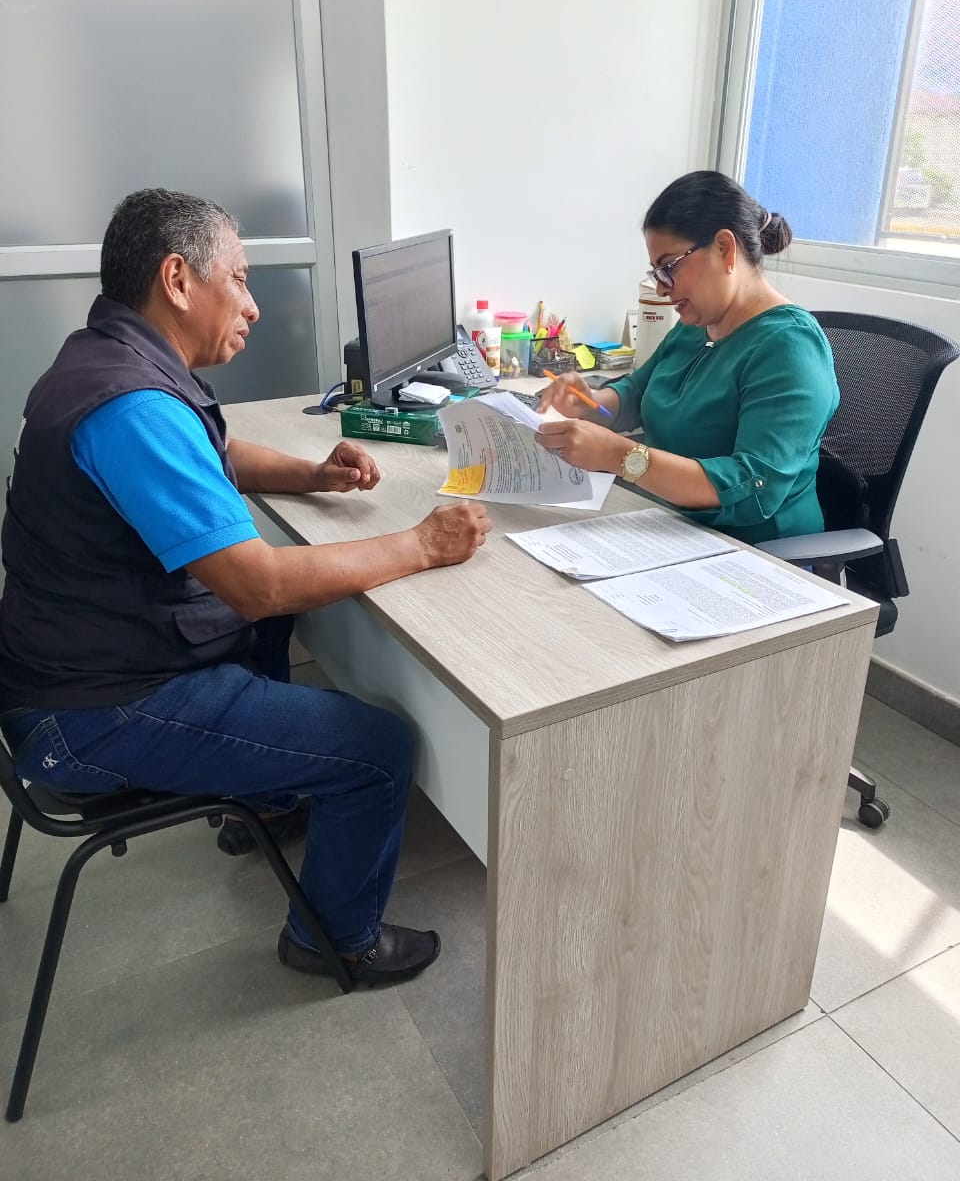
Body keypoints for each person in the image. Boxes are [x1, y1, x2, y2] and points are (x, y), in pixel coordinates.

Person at [0, 187, 491, 987]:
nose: (254, 306)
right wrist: (421, 543)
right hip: (91, 714)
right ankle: (335, 940)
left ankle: (263, 802)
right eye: (239, 278)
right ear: (178, 280)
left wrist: (311, 474)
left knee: (271, 631)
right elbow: (257, 585)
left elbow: (210, 454)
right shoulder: (131, 409)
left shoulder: (103, 358)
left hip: (76, 663)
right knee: (378, 750)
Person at [535, 170, 840, 545]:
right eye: (656, 272)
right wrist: (590, 404)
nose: (662, 289)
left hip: (752, 550)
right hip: (668, 526)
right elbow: (639, 391)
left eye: (669, 267)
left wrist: (620, 456)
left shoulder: (789, 347)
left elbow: (752, 489)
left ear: (725, 249)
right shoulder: (698, 323)